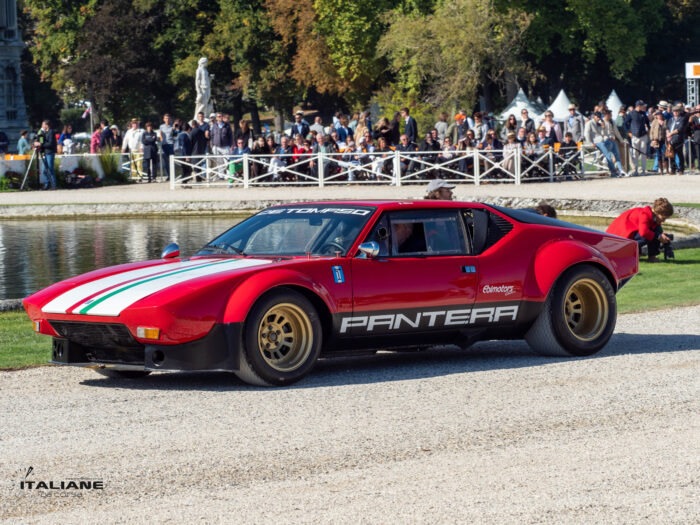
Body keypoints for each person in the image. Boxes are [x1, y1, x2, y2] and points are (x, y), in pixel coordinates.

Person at [606, 197, 674, 262]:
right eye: (663, 218)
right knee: (648, 236)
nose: (664, 221)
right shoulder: (644, 214)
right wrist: (659, 236)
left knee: (656, 232)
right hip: (617, 239)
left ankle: (652, 257)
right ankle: (625, 254)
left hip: (626, 236)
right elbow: (643, 232)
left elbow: (657, 229)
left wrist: (662, 235)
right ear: (657, 213)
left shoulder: (653, 216)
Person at [584, 112, 626, 177]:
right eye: (597, 117)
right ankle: (614, 171)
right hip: (596, 142)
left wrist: (603, 127)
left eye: (599, 117)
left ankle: (613, 167)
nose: (598, 118)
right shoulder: (589, 123)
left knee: (612, 143)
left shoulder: (600, 123)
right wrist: (590, 143)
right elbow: (586, 134)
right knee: (608, 155)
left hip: (602, 141)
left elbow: (602, 134)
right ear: (594, 116)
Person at [624, 100, 651, 175]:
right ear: (639, 106)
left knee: (643, 153)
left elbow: (647, 122)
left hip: (643, 135)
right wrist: (628, 132)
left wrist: (648, 129)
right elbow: (625, 123)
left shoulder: (643, 113)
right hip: (634, 136)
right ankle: (635, 170)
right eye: (642, 105)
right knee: (635, 154)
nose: (644, 107)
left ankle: (643, 170)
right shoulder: (631, 113)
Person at [34, 120, 57, 190]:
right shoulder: (44, 132)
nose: (42, 126)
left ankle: (54, 185)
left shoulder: (51, 132)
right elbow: (42, 141)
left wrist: (40, 144)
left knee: (50, 169)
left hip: (50, 152)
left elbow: (50, 143)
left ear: (47, 125)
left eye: (43, 125)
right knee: (44, 170)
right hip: (46, 153)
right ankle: (47, 184)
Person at [159, 114, 175, 179]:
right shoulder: (161, 126)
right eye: (166, 118)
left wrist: (174, 129)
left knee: (172, 160)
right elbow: (160, 135)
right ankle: (168, 175)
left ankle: (173, 175)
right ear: (164, 119)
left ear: (170, 119)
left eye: (168, 118)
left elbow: (176, 135)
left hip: (171, 144)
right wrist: (161, 140)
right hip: (164, 145)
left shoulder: (173, 126)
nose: (167, 119)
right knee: (166, 161)